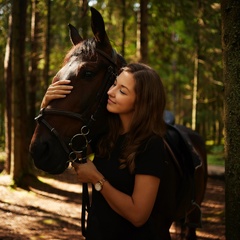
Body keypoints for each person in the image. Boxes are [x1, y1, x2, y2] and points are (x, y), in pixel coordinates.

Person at [41, 63, 168, 240]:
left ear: (141, 103)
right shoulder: (106, 133)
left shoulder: (151, 145)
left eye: (122, 91)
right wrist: (47, 107)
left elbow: (138, 216)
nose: (110, 92)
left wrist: (96, 179)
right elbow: (64, 150)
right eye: (114, 84)